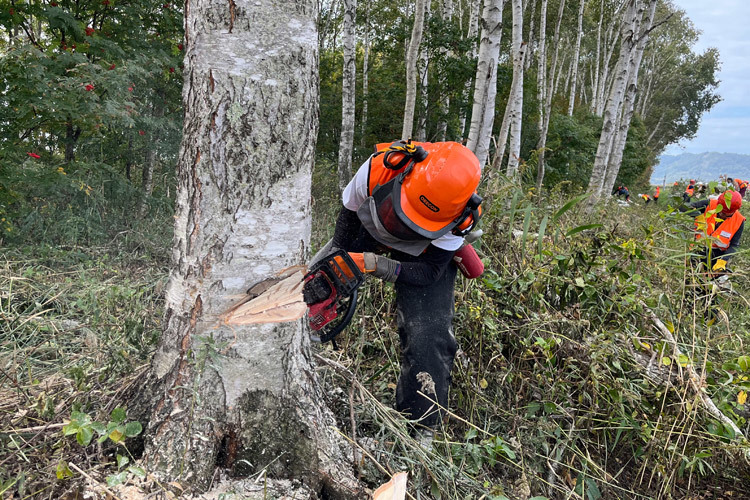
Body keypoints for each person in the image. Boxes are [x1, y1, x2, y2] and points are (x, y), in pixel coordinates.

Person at [318, 140, 483, 437]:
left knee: (429, 335)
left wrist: (376, 264)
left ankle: (419, 431)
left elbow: (430, 272)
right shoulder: (379, 168)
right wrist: (338, 266)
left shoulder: (462, 219)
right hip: (374, 223)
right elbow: (345, 228)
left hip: (426, 255)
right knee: (319, 282)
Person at [687, 190, 745, 271]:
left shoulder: (739, 221)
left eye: (725, 214)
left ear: (733, 211)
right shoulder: (710, 204)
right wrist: (697, 214)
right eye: (719, 211)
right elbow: (687, 207)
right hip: (697, 250)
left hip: (716, 257)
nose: (721, 215)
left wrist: (723, 260)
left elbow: (734, 245)